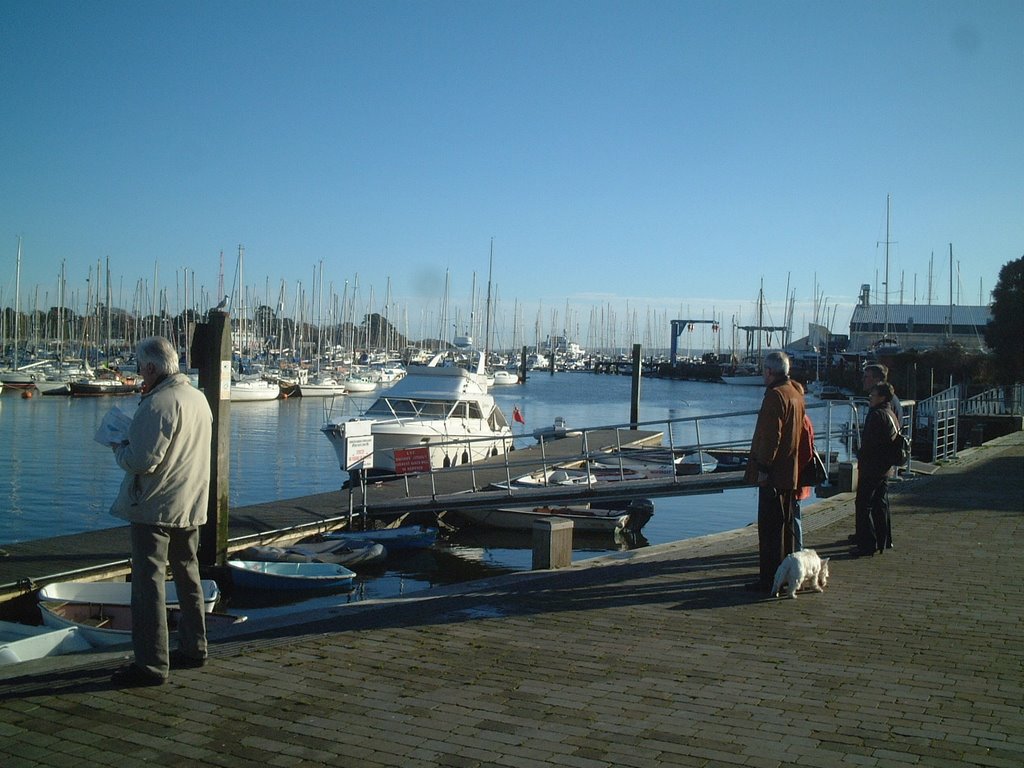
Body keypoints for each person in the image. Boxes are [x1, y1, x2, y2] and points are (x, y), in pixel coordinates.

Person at [109, 336, 213, 686]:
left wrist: (117, 447)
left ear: (152, 368)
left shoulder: (158, 404)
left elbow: (141, 460)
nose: (138, 373)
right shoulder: (198, 399)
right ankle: (195, 647)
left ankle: (151, 664)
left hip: (154, 506)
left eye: (140, 367)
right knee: (188, 575)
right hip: (190, 502)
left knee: (148, 585)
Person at [744, 351, 806, 593]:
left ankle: (769, 578)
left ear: (769, 371)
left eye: (763, 370)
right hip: (789, 471)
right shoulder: (796, 394)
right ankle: (786, 574)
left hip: (773, 473)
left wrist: (763, 467)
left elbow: (771, 436)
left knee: (770, 530)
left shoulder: (775, 396)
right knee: (785, 526)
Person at [853, 382, 898, 556]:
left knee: (863, 505)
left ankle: (867, 544)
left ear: (882, 397)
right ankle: (884, 539)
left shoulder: (877, 415)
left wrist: (861, 456)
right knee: (880, 503)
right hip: (884, 467)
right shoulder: (890, 413)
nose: (870, 397)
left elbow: (871, 444)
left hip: (873, 468)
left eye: (873, 395)